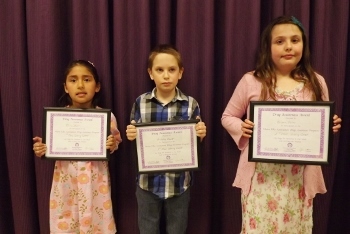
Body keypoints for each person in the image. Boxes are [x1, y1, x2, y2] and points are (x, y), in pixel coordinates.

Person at [221, 16, 342, 233]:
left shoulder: (316, 82)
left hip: (298, 180)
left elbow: (320, 127)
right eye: (280, 41)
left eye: (295, 40)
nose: (288, 46)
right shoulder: (252, 80)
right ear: (268, 47)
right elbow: (228, 116)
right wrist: (242, 128)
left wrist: (329, 126)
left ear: (303, 45)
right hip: (260, 178)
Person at [32, 60, 122, 234]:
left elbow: (116, 141)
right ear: (66, 87)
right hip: (66, 186)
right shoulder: (57, 119)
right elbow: (49, 146)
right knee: (66, 226)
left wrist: (112, 144)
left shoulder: (107, 117)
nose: (80, 85)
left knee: (97, 226)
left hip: (96, 186)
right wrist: (42, 148)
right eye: (73, 80)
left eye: (87, 79)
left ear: (97, 86)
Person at [126, 44, 207, 234]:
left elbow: (194, 144)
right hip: (147, 183)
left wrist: (200, 135)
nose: (166, 75)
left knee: (178, 229)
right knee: (147, 229)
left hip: (179, 183)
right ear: (150, 73)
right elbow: (135, 137)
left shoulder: (191, 104)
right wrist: (131, 135)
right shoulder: (141, 102)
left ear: (180, 73)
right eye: (159, 70)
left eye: (172, 70)